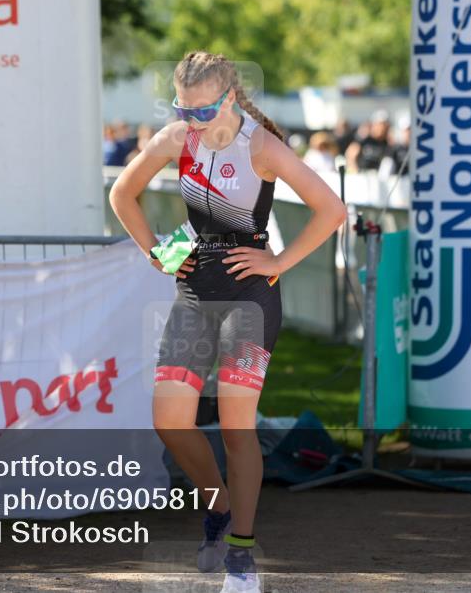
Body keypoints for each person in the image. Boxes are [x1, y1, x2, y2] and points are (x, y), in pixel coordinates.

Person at [109, 50, 347, 593]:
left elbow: (331, 210)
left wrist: (279, 262)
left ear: (230, 98)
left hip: (249, 295)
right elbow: (122, 193)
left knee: (239, 428)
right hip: (194, 290)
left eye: (202, 110)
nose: (191, 120)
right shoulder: (175, 139)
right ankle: (216, 508)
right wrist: (155, 251)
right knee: (169, 421)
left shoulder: (262, 147)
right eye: (182, 108)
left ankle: (242, 554)